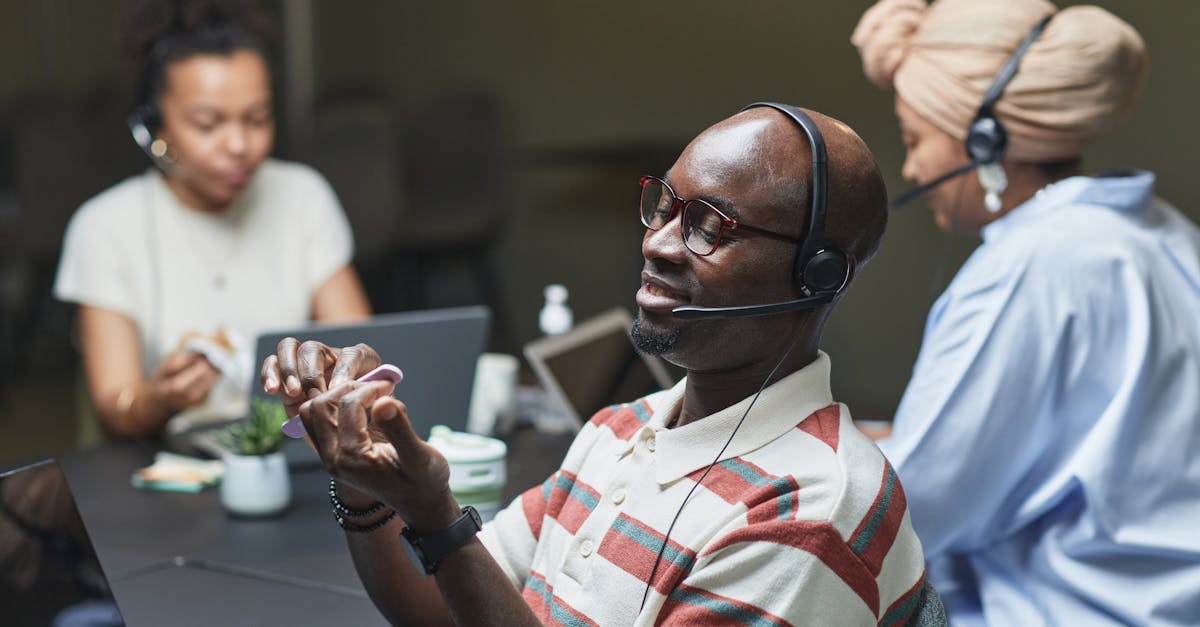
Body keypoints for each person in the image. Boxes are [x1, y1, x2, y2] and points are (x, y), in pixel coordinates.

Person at [260, 104, 945, 625]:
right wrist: (360, 475)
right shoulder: (622, 429)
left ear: (816, 274)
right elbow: (435, 605)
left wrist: (436, 515)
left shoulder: (811, 510)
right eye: (664, 206)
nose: (659, 244)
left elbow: (447, 560)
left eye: (710, 225)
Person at [852, 0, 1200, 624]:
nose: (909, 169)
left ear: (983, 140)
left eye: (914, 139)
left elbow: (912, 514)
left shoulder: (1037, 264)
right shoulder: (1156, 229)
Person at [53, 0, 371, 440]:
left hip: (296, 451)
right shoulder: (104, 227)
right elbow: (114, 407)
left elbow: (358, 356)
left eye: (257, 118)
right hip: (169, 467)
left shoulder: (303, 197)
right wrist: (159, 399)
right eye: (208, 124)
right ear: (154, 126)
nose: (239, 144)